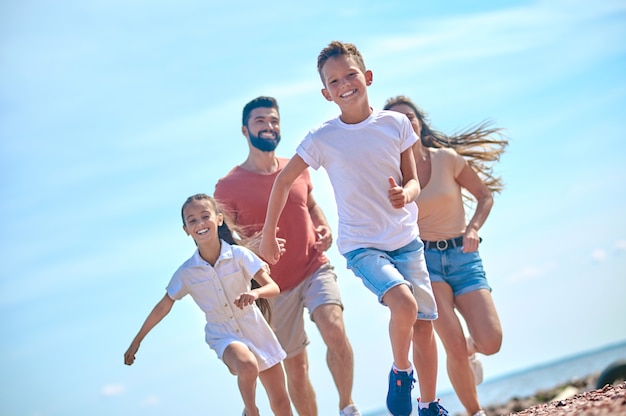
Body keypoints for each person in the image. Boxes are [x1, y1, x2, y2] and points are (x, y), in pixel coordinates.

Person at [259, 41, 449, 416]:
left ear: (368, 77)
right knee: (404, 302)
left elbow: (413, 181)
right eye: (334, 81)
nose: (345, 84)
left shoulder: (395, 124)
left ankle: (428, 405)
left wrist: (405, 195)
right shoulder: (322, 138)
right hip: (362, 245)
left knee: (425, 326)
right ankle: (400, 371)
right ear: (326, 93)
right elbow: (283, 182)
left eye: (351, 74)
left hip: (407, 242)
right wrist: (268, 234)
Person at [214, 96, 360, 416]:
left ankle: (347, 406)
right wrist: (257, 247)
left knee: (333, 327)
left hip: (313, 267)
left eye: (274, 120)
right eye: (260, 121)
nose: (269, 126)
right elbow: (226, 244)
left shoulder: (295, 168)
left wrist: (322, 226)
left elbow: (309, 204)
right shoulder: (227, 187)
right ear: (244, 130)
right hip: (274, 289)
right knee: (296, 370)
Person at [384, 95, 507, 416]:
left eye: (409, 117)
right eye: (396, 121)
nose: (405, 123)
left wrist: (472, 228)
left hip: (464, 257)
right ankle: (475, 411)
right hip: (424, 263)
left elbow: (484, 195)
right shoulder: (391, 175)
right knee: (451, 343)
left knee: (491, 341)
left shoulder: (447, 159)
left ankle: (469, 350)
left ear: (420, 123)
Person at [124, 194, 292, 416]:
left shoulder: (239, 255)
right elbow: (163, 306)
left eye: (205, 216)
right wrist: (136, 342)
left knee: (281, 404)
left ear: (219, 219)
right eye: (192, 220)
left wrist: (255, 293)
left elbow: (273, 287)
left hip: (256, 329)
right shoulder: (187, 272)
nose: (200, 224)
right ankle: (251, 411)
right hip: (223, 335)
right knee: (247, 365)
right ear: (186, 230)